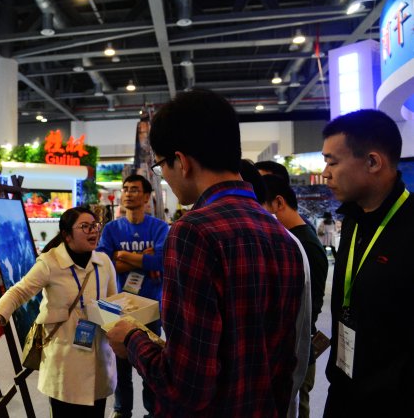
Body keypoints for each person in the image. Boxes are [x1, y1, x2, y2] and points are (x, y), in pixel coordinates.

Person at [106, 89, 304, 417]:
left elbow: (185, 386)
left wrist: (132, 339)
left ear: (182, 162)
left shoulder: (193, 232)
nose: (165, 177)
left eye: (161, 166)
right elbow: (285, 365)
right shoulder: (282, 236)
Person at [0, 207, 117, 417]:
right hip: (65, 364)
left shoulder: (104, 263)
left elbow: (112, 304)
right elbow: (18, 292)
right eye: (85, 226)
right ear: (67, 235)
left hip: (99, 361)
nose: (93, 231)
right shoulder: (50, 263)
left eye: (94, 225)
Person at [321, 109, 414, 417]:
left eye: (333, 162)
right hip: (343, 391)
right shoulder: (352, 221)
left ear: (373, 162)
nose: (325, 173)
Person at [97, 174, 169, 418]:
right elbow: (104, 264)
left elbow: (161, 261)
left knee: (151, 364)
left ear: (147, 197)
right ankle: (121, 410)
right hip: (118, 308)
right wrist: (143, 259)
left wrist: (122, 255)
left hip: (151, 307)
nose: (128, 193)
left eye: (135, 189)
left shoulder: (159, 228)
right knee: (120, 364)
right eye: (125, 189)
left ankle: (153, 411)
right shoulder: (112, 229)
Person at [263, 174, 329, 418]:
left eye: (260, 206)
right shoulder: (290, 238)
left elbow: (310, 308)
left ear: (279, 203)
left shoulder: (304, 244)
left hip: (297, 355)